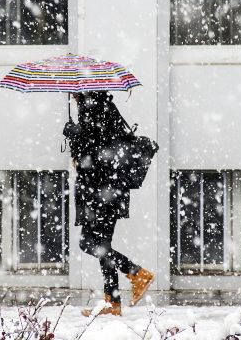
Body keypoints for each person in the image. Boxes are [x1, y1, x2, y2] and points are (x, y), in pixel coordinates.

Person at [63, 91, 155, 317]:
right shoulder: (101, 107)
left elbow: (98, 150)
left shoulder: (94, 109)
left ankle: (137, 273)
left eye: (74, 91)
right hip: (107, 189)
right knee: (102, 244)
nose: (71, 94)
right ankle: (112, 303)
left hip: (102, 191)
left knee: (88, 242)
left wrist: (74, 134)